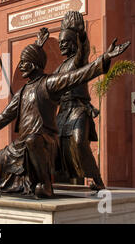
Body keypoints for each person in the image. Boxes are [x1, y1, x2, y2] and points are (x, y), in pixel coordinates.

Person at [0, 29, 130, 198]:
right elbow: (2, 118)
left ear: (33, 65)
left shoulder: (49, 83)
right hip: (22, 146)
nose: (21, 66)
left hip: (43, 141)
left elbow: (79, 75)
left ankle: (45, 184)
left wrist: (105, 58)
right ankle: (23, 187)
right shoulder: (22, 92)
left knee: (34, 140)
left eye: (24, 62)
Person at [54, 11, 105, 191]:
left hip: (78, 108)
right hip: (62, 112)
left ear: (74, 42)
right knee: (54, 145)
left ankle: (97, 179)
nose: (62, 46)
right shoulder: (59, 68)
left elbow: (85, 51)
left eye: (65, 42)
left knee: (79, 142)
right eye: (60, 42)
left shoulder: (78, 61)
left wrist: (82, 35)